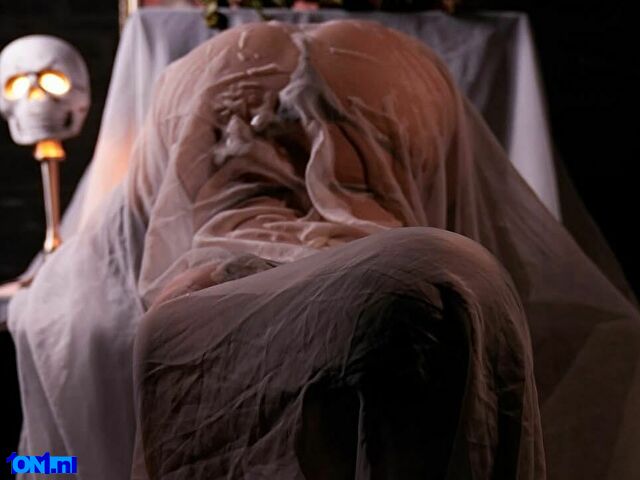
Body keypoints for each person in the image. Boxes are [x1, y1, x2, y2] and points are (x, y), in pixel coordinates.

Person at [7, 19, 640, 480]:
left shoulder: (192, 75)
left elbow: (132, 226)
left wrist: (47, 295)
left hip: (206, 293)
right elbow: (463, 197)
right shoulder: (408, 67)